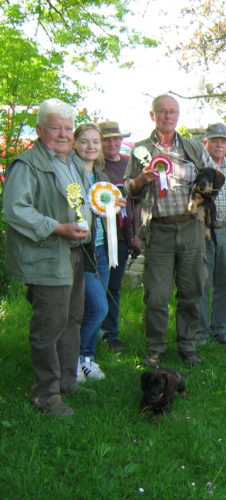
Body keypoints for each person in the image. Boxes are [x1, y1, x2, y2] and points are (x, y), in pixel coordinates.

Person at [4, 98, 93, 416]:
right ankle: (45, 394)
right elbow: (15, 210)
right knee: (49, 325)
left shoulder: (72, 162)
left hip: (75, 253)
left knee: (72, 320)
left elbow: (79, 203)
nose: (63, 134)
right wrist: (57, 228)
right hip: (48, 255)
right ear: (41, 129)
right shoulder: (26, 165)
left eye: (68, 128)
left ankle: (67, 382)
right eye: (56, 127)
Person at [124, 94, 215, 367]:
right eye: (161, 112)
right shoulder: (141, 150)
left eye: (172, 112)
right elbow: (128, 188)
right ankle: (155, 348)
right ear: (153, 116)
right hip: (158, 231)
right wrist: (141, 179)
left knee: (191, 291)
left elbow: (213, 178)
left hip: (191, 228)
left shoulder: (193, 147)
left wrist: (203, 194)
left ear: (178, 116)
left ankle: (187, 346)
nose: (167, 116)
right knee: (157, 295)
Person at [73, 123, 123, 381]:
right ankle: (73, 357)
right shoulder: (70, 174)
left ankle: (87, 359)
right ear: (74, 143)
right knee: (98, 309)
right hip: (82, 251)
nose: (90, 146)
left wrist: (115, 204)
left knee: (94, 307)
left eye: (95, 141)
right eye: (85, 141)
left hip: (103, 250)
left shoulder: (101, 176)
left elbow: (105, 208)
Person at [196, 123, 226, 345]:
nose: (218, 144)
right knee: (202, 281)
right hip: (202, 231)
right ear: (205, 142)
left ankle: (220, 329)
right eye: (214, 140)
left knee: (225, 281)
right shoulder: (196, 167)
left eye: (223, 141)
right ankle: (201, 331)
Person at [98, 120, 141, 353]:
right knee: (94, 288)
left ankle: (110, 333)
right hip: (97, 237)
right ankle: (87, 332)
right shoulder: (94, 166)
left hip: (122, 236)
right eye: (107, 139)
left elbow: (136, 203)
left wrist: (136, 235)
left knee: (113, 287)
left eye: (116, 138)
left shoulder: (128, 165)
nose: (112, 143)